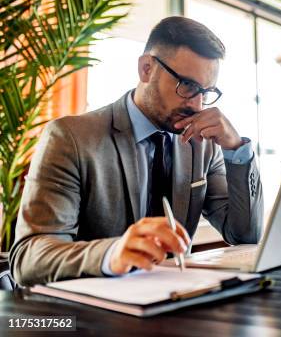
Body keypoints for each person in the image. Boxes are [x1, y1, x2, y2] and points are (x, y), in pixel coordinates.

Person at [10, 16, 263, 286]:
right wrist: (111, 254)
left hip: (177, 303)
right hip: (94, 316)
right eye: (188, 86)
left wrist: (236, 150)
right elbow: (28, 259)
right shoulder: (71, 138)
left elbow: (245, 234)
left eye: (206, 91)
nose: (197, 105)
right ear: (146, 68)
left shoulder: (203, 145)